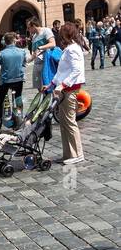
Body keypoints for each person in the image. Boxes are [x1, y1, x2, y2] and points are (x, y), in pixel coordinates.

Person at [49, 22, 85, 166]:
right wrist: (52, 83)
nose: (60, 35)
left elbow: (76, 70)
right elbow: (62, 71)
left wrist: (63, 84)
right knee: (64, 122)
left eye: (62, 32)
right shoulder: (69, 48)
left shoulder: (72, 49)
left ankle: (77, 154)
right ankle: (68, 154)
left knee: (69, 122)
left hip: (69, 90)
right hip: (64, 89)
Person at [0, 33, 27, 133]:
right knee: (18, 100)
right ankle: (18, 123)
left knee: (0, 102)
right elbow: (24, 63)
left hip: (5, 81)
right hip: (18, 79)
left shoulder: (2, 53)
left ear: (5, 42)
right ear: (14, 40)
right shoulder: (22, 52)